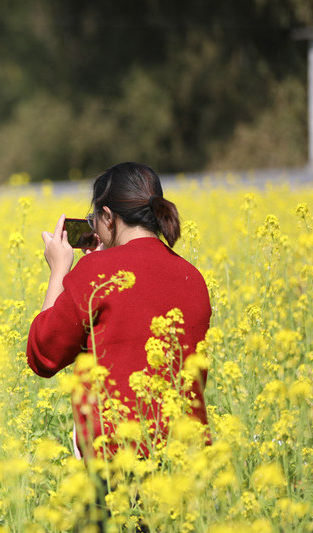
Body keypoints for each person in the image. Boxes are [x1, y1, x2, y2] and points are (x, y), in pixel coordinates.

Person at [27, 162, 211, 461]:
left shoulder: (97, 273)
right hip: (187, 460)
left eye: (94, 219)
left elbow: (42, 355)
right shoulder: (193, 276)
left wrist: (60, 270)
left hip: (117, 463)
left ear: (108, 218)